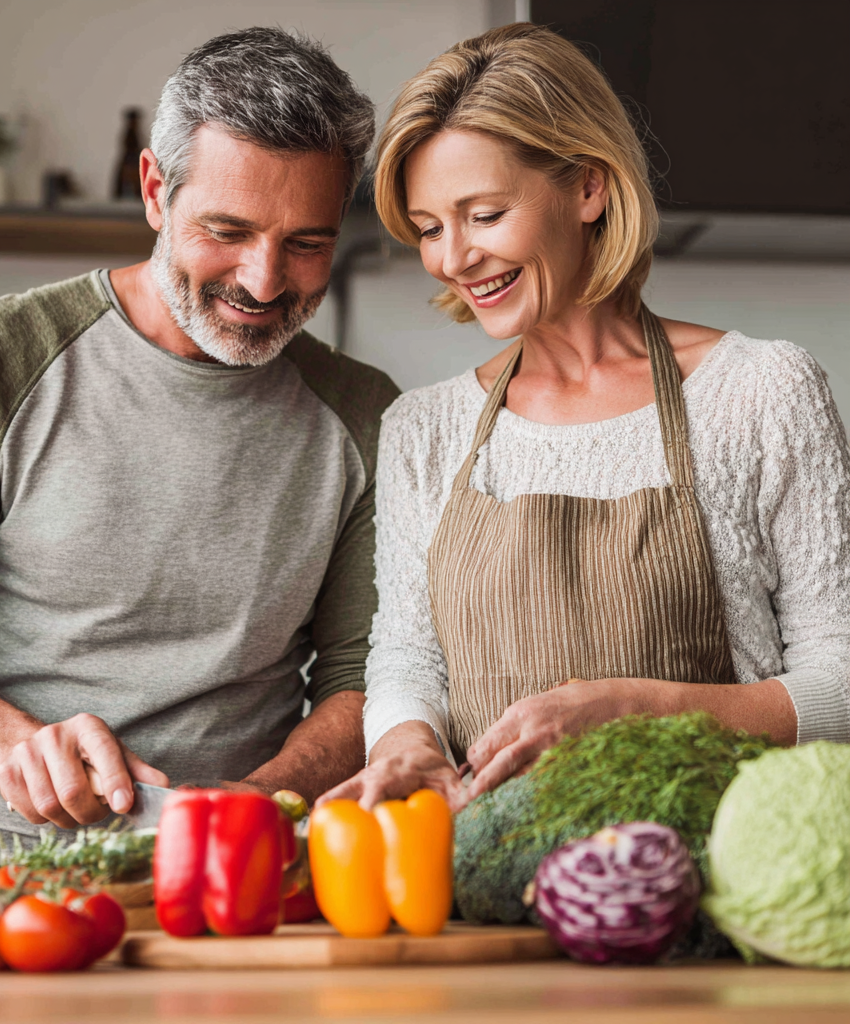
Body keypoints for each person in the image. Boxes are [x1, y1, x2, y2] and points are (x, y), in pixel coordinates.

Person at [0, 28, 398, 859]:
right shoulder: (5, 352)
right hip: (0, 876)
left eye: (307, 243)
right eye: (227, 230)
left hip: (239, 874)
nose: (264, 280)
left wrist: (261, 800)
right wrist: (17, 750)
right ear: (155, 191)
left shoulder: (362, 413)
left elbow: (362, 678)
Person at [323, 24, 850, 812]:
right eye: (430, 228)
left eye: (485, 214)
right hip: (487, 889)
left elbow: (840, 685)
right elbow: (407, 659)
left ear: (589, 188)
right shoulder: (423, 430)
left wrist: (638, 710)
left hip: (713, 891)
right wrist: (405, 742)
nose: (453, 258)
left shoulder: (762, 391)